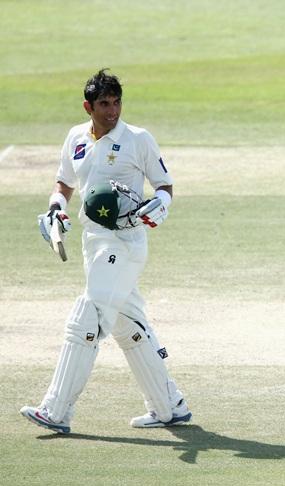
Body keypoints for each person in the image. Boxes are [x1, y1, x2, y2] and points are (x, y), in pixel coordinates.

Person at [20, 69, 191, 434]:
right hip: (93, 241)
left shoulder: (138, 139)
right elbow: (65, 182)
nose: (112, 111)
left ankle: (56, 410)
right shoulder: (75, 138)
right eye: (104, 104)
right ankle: (169, 406)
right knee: (128, 326)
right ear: (88, 106)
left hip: (126, 242)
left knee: (90, 313)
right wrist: (55, 207)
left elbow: (165, 186)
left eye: (116, 103)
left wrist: (159, 204)